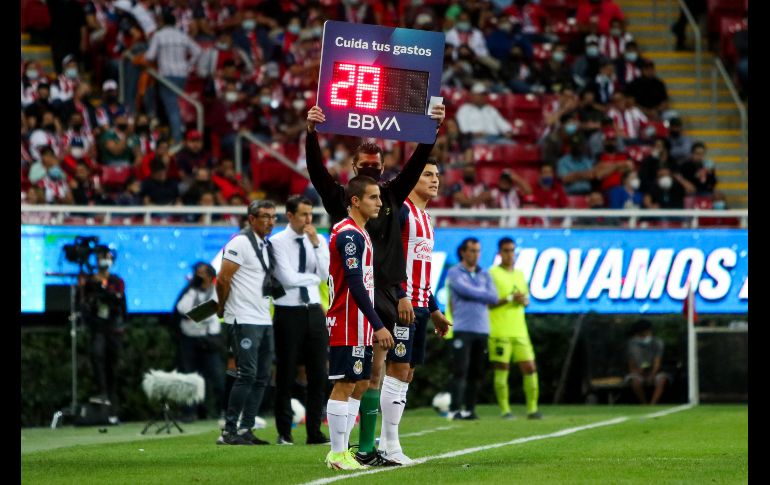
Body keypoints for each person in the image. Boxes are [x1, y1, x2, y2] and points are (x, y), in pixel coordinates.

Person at [306, 101, 445, 466]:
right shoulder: (344, 203)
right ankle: (349, 449)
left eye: (376, 165)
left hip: (388, 292)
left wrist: (432, 130)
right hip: (359, 294)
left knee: (376, 373)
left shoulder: (388, 195)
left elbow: (415, 163)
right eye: (365, 165)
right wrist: (311, 134)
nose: (372, 169)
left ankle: (367, 448)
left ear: (383, 168)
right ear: (354, 169)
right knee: (359, 375)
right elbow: (317, 172)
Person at [377, 161, 452, 464]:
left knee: (406, 373)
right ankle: (389, 446)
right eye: (428, 175)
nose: (435, 180)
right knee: (397, 369)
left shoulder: (426, 217)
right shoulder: (402, 211)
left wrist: (434, 309)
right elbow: (388, 260)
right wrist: (401, 295)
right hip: (402, 304)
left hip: (420, 304)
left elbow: (418, 270)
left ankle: (387, 442)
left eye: (437, 175)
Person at [324, 176, 395, 470]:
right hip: (347, 320)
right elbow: (355, 284)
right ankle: (337, 453)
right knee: (345, 384)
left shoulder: (360, 233)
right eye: (373, 197)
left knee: (362, 382)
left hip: (359, 321)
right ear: (355, 201)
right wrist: (378, 324)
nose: (379, 203)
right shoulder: (349, 235)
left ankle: (345, 450)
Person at [215, 200, 278, 445]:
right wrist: (222, 307)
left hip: (263, 316)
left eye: (273, 217)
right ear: (251, 219)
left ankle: (245, 429)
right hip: (242, 317)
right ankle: (229, 431)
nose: (271, 222)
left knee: (262, 376)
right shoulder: (240, 242)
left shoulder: (265, 244)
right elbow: (223, 278)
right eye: (265, 216)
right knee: (247, 374)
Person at [270, 196, 331, 446]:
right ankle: (284, 432)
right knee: (285, 373)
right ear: (290, 215)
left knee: (319, 374)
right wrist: (311, 278)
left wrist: (316, 245)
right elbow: (287, 278)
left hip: (314, 310)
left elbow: (326, 274)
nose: (308, 219)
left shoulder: (318, 240)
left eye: (310, 214)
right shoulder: (277, 242)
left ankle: (314, 431)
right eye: (303, 214)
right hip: (288, 312)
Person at [445, 238, 508, 420]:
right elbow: (465, 291)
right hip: (463, 328)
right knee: (460, 370)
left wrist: (477, 292)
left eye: (478, 251)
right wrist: (482, 293)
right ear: (463, 252)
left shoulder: (484, 274)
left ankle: (470, 410)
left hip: (482, 329)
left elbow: (494, 297)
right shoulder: (454, 272)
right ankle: (454, 409)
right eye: (472, 250)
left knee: (477, 372)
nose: (476, 254)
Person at [488, 238, 541, 420]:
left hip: (520, 331)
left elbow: (526, 300)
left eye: (512, 250)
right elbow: (488, 302)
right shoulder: (492, 274)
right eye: (506, 250)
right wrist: (510, 299)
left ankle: (532, 410)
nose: (510, 254)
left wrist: (524, 301)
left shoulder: (520, 274)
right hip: (499, 331)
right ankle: (505, 411)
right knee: (502, 369)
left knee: (530, 368)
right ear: (499, 253)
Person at [174, 262, 226, 423]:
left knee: (216, 376)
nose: (199, 276)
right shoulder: (189, 290)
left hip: (209, 340)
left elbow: (212, 311)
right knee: (189, 375)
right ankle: (189, 412)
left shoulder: (217, 291)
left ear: (210, 276)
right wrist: (192, 291)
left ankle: (225, 410)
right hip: (188, 339)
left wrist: (194, 316)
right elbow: (181, 309)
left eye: (202, 273)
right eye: (197, 273)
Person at [79, 245, 126, 413]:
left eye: (107, 257)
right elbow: (84, 303)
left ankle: (111, 398)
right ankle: (102, 392)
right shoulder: (90, 281)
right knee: (97, 355)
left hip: (113, 328)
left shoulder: (116, 281)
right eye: (101, 257)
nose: (104, 261)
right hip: (97, 327)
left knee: (113, 362)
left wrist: (107, 291)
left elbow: (120, 303)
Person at [144, 10, 202, 143]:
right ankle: (176, 133)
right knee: (176, 106)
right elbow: (198, 51)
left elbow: (149, 56)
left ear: (163, 22)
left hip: (167, 76)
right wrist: (188, 65)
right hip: (182, 76)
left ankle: (177, 139)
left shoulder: (159, 35)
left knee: (172, 108)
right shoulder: (182, 35)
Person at [625, 319, 671, 404]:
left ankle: (653, 404)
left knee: (662, 380)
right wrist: (638, 372)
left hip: (655, 372)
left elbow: (657, 361)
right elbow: (631, 363)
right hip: (638, 372)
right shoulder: (631, 344)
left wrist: (652, 374)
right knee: (635, 381)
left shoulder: (657, 343)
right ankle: (644, 403)